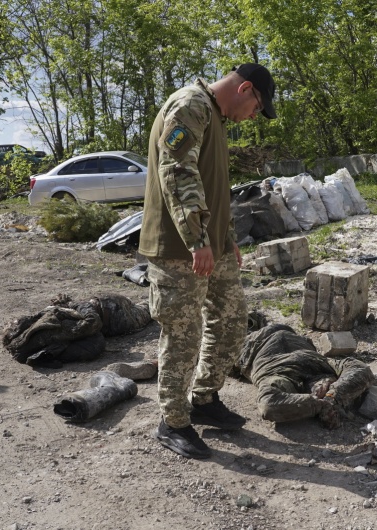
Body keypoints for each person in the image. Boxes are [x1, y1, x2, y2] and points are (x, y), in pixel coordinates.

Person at [139, 63, 277, 459]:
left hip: (211, 244)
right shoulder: (189, 106)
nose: (254, 116)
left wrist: (226, 237)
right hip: (179, 247)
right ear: (245, 88)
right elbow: (177, 173)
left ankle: (203, 398)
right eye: (257, 107)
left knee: (232, 320)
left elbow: (212, 183)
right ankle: (173, 421)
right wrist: (198, 238)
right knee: (183, 334)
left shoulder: (213, 115)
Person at [235, 324, 376, 429]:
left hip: (261, 348)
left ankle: (328, 394)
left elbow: (269, 404)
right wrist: (324, 402)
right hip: (284, 349)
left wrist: (331, 397)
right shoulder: (281, 376)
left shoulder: (276, 377)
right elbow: (359, 368)